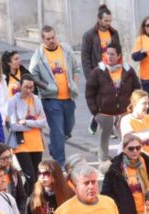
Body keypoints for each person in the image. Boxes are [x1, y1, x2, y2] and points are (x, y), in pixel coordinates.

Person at [29, 25, 80, 167]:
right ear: (43, 39)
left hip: (69, 97)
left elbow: (76, 68)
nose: (51, 41)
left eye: (53, 37)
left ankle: (54, 147)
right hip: (51, 100)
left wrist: (75, 85)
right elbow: (33, 76)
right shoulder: (38, 56)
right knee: (57, 131)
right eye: (48, 38)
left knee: (68, 129)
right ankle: (60, 163)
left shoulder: (66, 50)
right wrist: (46, 87)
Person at [85, 42, 140, 163]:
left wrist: (133, 107)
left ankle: (127, 159)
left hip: (124, 112)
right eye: (107, 53)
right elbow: (89, 92)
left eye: (112, 54)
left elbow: (137, 89)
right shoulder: (98, 71)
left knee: (126, 138)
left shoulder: (128, 70)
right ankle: (103, 162)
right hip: (104, 113)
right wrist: (95, 112)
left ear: (119, 55)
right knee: (104, 138)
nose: (109, 56)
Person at [102, 133, 149, 214]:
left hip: (147, 213)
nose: (135, 151)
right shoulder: (114, 168)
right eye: (131, 148)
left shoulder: (146, 161)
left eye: (138, 147)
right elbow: (106, 194)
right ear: (123, 149)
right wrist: (120, 209)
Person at [81, 4, 120, 135]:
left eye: (110, 20)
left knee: (112, 99)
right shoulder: (89, 35)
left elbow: (118, 53)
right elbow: (85, 57)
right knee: (101, 100)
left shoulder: (114, 34)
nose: (108, 23)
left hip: (112, 71)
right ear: (99, 19)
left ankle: (103, 124)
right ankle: (99, 121)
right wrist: (89, 76)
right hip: (97, 72)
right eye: (105, 21)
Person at [7, 74, 47, 196]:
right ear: (20, 86)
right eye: (26, 87)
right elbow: (13, 125)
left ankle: (24, 199)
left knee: (35, 177)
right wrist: (35, 124)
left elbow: (43, 122)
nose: (29, 90)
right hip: (21, 144)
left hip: (36, 143)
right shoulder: (13, 101)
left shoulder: (36, 99)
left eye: (31, 87)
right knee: (30, 177)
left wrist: (27, 122)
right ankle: (29, 204)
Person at [0, 143, 27, 214]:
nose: (9, 161)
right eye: (4, 158)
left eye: (10, 157)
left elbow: (21, 197)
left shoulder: (14, 174)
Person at [120, 89, 149, 160]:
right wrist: (145, 154)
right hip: (135, 161)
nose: (147, 106)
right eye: (144, 103)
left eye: (148, 103)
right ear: (134, 104)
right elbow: (130, 141)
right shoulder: (126, 120)